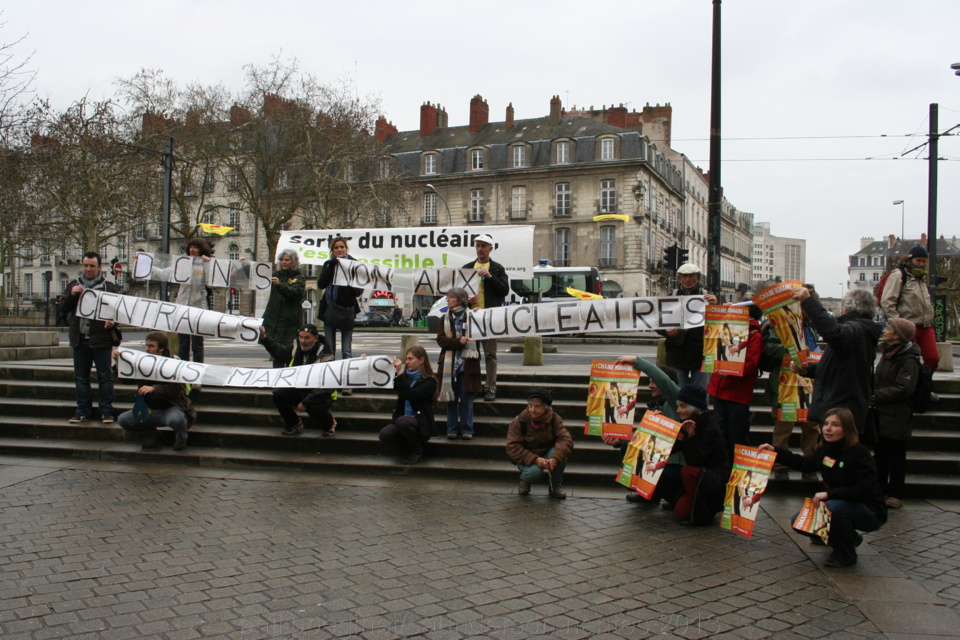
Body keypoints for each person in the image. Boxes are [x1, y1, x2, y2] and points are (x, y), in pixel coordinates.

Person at [761, 407, 887, 567]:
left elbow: (864, 489)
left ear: (847, 428)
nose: (828, 428)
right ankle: (849, 537)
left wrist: (829, 495)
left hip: (869, 510)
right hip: (840, 504)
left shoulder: (859, 454)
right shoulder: (826, 450)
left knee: (832, 508)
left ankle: (845, 555)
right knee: (799, 521)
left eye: (835, 425)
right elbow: (805, 464)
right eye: (826, 423)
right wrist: (775, 452)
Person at [793, 287, 882, 436]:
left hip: (840, 409)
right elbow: (841, 368)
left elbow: (834, 334)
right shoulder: (862, 331)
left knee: (835, 454)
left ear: (847, 308)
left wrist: (809, 302)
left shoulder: (854, 329)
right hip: (845, 405)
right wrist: (808, 369)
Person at [769, 284, 822, 482]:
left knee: (812, 426)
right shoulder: (781, 325)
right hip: (786, 384)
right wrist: (793, 350)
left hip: (808, 383)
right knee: (784, 427)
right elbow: (771, 349)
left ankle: (809, 464)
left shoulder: (811, 328)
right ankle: (781, 465)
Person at [60, 251, 120, 424]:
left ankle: (106, 411)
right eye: (85, 265)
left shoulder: (109, 287)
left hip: (101, 339)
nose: (88, 269)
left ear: (99, 267)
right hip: (80, 338)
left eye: (92, 266)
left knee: (105, 376)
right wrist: (72, 295)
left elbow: (118, 312)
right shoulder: (73, 285)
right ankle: (82, 410)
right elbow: (63, 308)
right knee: (81, 378)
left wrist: (112, 323)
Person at [114, 332, 196, 450]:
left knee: (177, 420)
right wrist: (118, 362)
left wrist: (154, 389)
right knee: (124, 419)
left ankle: (181, 439)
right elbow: (127, 380)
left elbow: (177, 389)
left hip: (170, 407)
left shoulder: (174, 363)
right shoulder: (143, 362)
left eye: (151, 346)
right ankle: (150, 435)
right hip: (149, 409)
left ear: (161, 348)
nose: (147, 349)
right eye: (146, 345)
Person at [872, 318, 921, 510]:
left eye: (889, 328)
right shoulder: (888, 352)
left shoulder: (908, 358)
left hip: (897, 414)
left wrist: (876, 396)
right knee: (880, 454)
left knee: (896, 456)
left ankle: (895, 494)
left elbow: (904, 388)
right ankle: (880, 490)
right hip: (882, 413)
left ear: (898, 335)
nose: (885, 330)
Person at [707, 303, 763, 460]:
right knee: (721, 431)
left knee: (736, 434)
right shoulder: (729, 330)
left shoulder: (754, 335)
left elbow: (751, 365)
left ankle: (735, 467)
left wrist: (730, 373)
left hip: (737, 392)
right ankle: (725, 466)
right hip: (722, 388)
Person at [258, 324, 337, 436]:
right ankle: (293, 423)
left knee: (314, 409)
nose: (303, 341)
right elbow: (279, 351)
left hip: (320, 393)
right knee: (279, 395)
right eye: (301, 337)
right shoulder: (295, 348)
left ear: (316, 338)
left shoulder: (326, 356)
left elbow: (328, 386)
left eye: (307, 338)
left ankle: (329, 423)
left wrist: (306, 402)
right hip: (299, 388)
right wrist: (264, 338)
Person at [669, 384, 730, 525]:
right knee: (680, 511)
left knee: (687, 471)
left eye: (682, 406)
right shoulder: (688, 422)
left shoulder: (710, 427)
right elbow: (668, 449)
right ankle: (686, 501)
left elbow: (696, 459)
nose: (678, 410)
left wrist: (691, 437)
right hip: (702, 476)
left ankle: (703, 513)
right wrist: (658, 428)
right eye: (678, 405)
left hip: (714, 478)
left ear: (693, 407)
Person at [879, 243, 939, 377]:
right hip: (907, 326)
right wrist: (898, 323)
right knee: (905, 360)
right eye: (918, 260)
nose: (921, 264)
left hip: (925, 326)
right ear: (910, 260)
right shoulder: (899, 275)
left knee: (933, 358)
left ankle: (922, 385)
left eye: (924, 261)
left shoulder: (921, 278)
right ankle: (908, 386)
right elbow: (887, 301)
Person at [463, 233, 509, 401]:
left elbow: (504, 290)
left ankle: (490, 387)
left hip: (489, 318)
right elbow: (459, 293)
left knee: (490, 355)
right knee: (471, 355)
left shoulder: (497, 268)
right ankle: (474, 386)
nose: (480, 249)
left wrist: (490, 277)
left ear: (491, 249)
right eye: (478, 246)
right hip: (471, 318)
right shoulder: (467, 267)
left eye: (483, 246)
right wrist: (466, 300)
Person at [656, 263, 718, 388]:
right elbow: (657, 323)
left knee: (700, 393)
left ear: (698, 278)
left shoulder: (708, 298)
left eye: (691, 276)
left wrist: (716, 307)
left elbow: (720, 325)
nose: (688, 280)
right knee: (676, 392)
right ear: (679, 279)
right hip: (676, 354)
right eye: (684, 276)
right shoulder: (671, 297)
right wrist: (666, 331)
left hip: (701, 354)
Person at [506, 387, 573, 499]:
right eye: (530, 406)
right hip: (527, 456)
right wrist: (535, 459)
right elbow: (513, 446)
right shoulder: (519, 421)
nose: (532, 410)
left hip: (548, 453)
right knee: (534, 472)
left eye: (537, 406)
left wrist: (555, 458)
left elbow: (565, 439)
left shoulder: (554, 419)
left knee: (561, 454)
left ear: (546, 407)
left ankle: (555, 486)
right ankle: (525, 480)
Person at [435, 288, 481, 440]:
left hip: (467, 364)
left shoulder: (473, 316)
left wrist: (482, 316)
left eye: (451, 297)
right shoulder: (444, 318)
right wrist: (458, 342)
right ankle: (452, 429)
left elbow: (485, 332)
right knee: (451, 400)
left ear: (460, 300)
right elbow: (441, 340)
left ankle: (467, 429)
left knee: (467, 399)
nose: (448, 300)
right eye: (447, 297)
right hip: (449, 364)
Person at [379, 346, 438, 465]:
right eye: (406, 359)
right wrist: (367, 364)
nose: (407, 362)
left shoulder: (429, 381)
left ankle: (417, 451)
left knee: (403, 421)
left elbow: (411, 395)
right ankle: (409, 446)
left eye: (410, 359)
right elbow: (386, 381)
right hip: (403, 420)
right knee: (385, 434)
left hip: (420, 422)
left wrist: (400, 373)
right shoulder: (405, 378)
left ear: (421, 360)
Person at [317, 237, 364, 363]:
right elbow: (321, 284)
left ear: (346, 248)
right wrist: (330, 269)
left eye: (341, 247)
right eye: (336, 247)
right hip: (329, 308)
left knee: (346, 350)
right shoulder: (328, 264)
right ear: (332, 250)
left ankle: (346, 375)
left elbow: (358, 291)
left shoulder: (354, 264)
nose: (339, 250)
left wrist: (348, 282)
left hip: (346, 309)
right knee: (329, 349)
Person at [262, 249, 306, 368]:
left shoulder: (299, 277)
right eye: (282, 260)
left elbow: (295, 293)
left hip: (290, 321)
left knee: (287, 351)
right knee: (275, 351)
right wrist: (245, 264)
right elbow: (257, 276)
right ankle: (277, 375)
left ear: (294, 262)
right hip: (273, 319)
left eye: (287, 260)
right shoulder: (275, 275)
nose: (283, 262)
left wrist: (280, 285)